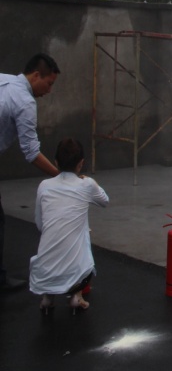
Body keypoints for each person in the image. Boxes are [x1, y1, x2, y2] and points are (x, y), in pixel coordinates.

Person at [0, 53, 61, 292]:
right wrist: (61, 175)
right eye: (49, 83)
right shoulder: (25, 102)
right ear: (36, 75)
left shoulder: (4, 80)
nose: (49, 90)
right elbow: (31, 152)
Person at [29, 138, 108, 313]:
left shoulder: (44, 186)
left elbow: (40, 224)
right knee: (83, 237)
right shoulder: (86, 185)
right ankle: (76, 296)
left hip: (43, 273)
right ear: (81, 163)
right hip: (75, 272)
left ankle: (48, 298)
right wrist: (91, 181)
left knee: (55, 245)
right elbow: (104, 201)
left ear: (56, 162)